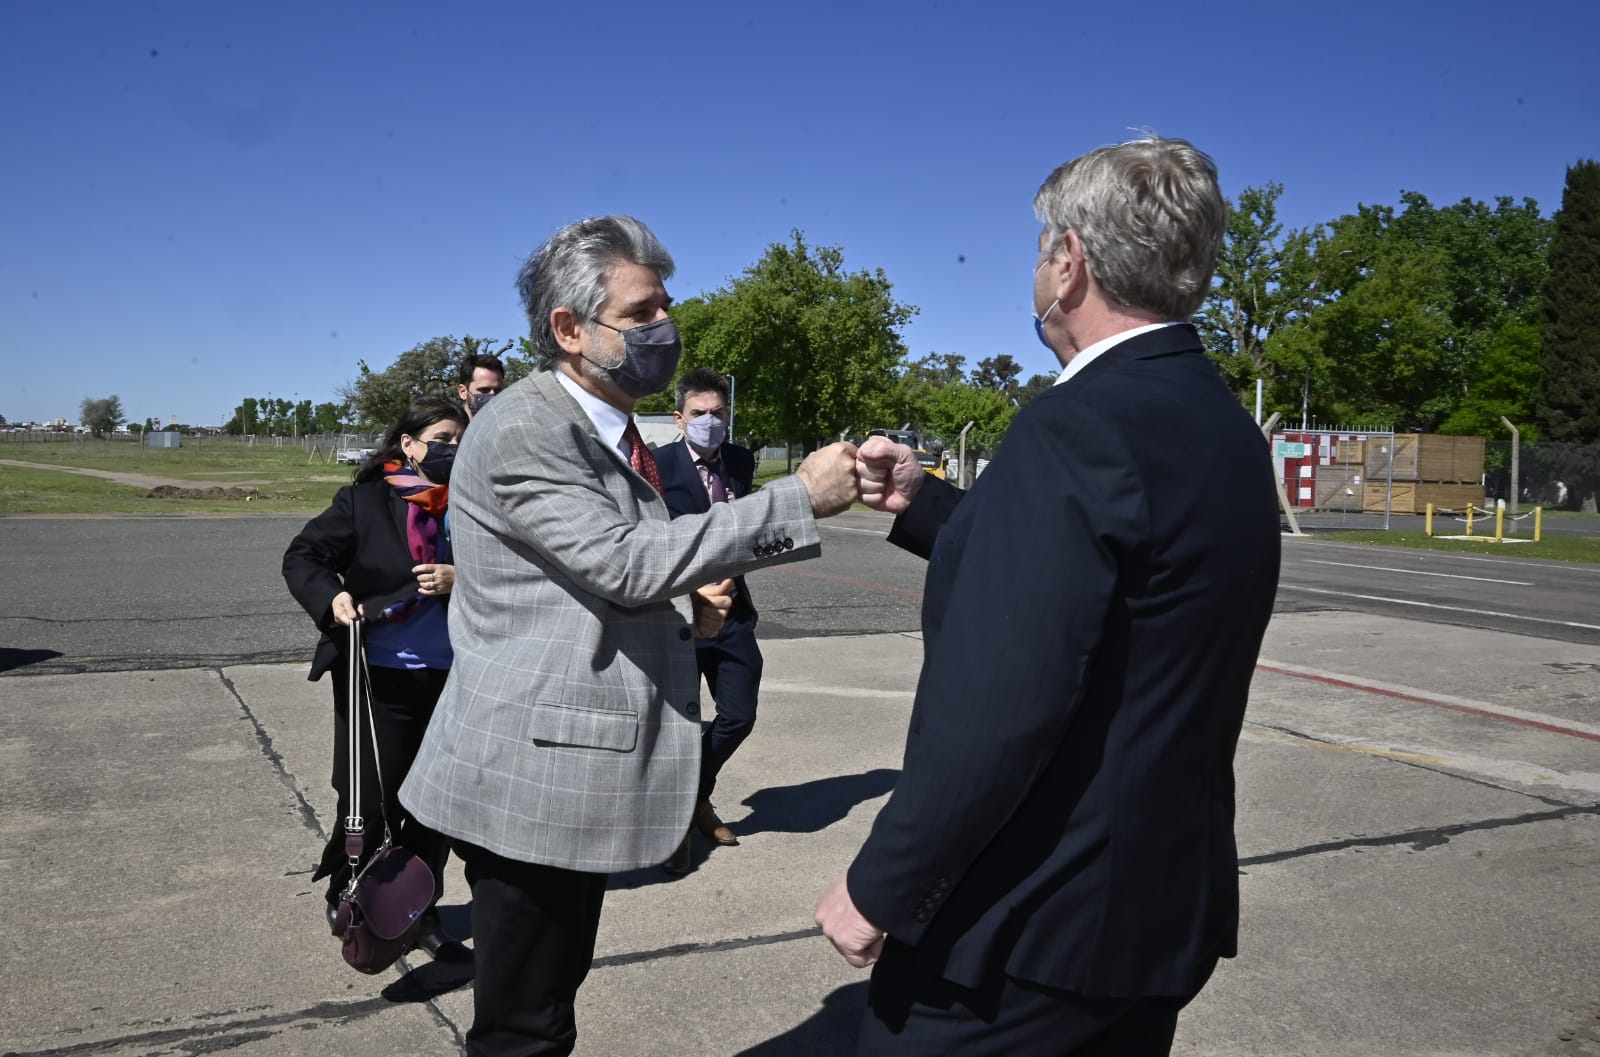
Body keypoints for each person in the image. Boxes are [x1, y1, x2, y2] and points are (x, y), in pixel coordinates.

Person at [815, 136, 1283, 1056]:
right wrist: (927, 501)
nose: (1037, 268)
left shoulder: (1075, 427)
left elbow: (1001, 705)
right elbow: (1106, 588)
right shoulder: (1217, 423)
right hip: (1147, 915)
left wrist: (885, 883)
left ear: (1070, 262)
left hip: (1026, 934)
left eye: (1041, 250)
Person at [400, 214, 860, 1057]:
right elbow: (619, 561)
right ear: (570, 329)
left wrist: (690, 617)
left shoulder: (612, 431)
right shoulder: (530, 427)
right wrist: (796, 498)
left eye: (665, 307)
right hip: (529, 780)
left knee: (548, 1006)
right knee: (524, 1030)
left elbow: (569, 590)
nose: (665, 329)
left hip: (570, 772)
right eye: (642, 313)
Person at [282, 394, 470, 962]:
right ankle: (352, 889)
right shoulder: (363, 502)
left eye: (461, 441)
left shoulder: (473, 505)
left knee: (434, 804)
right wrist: (333, 595)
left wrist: (461, 576)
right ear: (408, 445)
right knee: (373, 797)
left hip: (455, 678)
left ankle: (420, 910)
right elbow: (303, 556)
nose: (453, 451)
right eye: (442, 440)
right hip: (379, 678)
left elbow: (512, 569)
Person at [653, 367, 762, 874]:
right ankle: (674, 829)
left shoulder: (741, 461)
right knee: (677, 728)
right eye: (700, 414)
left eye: (718, 414)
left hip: (735, 612)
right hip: (682, 615)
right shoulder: (656, 467)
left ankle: (695, 798)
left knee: (737, 716)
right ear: (680, 418)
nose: (710, 422)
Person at [458, 352, 506, 420]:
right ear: (463, 392)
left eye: (498, 390)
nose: (493, 395)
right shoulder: (452, 428)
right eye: (484, 390)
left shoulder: (505, 425)